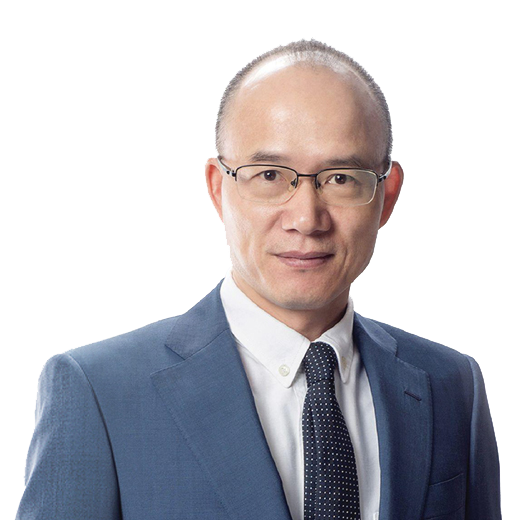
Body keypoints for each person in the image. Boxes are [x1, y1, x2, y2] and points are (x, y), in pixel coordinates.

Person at [16, 38, 501, 520]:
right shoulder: (99, 392)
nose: (306, 219)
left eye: (341, 178)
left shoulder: (451, 385)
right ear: (217, 188)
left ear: (386, 196)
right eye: (269, 175)